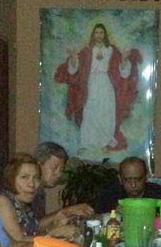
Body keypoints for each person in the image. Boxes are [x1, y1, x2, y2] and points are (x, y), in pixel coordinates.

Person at [53, 23, 142, 152]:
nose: (99, 35)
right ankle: (87, 144)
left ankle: (105, 143)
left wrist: (123, 59)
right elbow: (74, 69)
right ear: (93, 34)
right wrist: (73, 57)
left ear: (104, 34)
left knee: (106, 112)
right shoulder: (87, 51)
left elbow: (123, 72)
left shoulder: (111, 50)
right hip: (91, 84)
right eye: (96, 33)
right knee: (90, 113)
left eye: (101, 33)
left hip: (106, 83)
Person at [0, 153, 79, 242]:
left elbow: (34, 233)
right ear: (11, 179)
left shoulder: (24, 203)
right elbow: (19, 240)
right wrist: (52, 235)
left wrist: (54, 226)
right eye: (24, 177)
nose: (32, 184)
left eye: (35, 178)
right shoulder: (2, 200)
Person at [32, 141, 93, 224]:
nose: (59, 174)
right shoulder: (28, 191)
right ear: (38, 165)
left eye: (61, 170)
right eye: (54, 168)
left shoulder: (40, 191)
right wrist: (68, 211)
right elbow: (33, 226)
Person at [93, 156, 161, 216]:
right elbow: (95, 218)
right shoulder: (111, 193)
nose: (133, 185)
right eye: (127, 180)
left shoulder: (158, 192)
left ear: (146, 177)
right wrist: (114, 214)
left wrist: (154, 217)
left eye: (138, 179)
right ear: (120, 179)